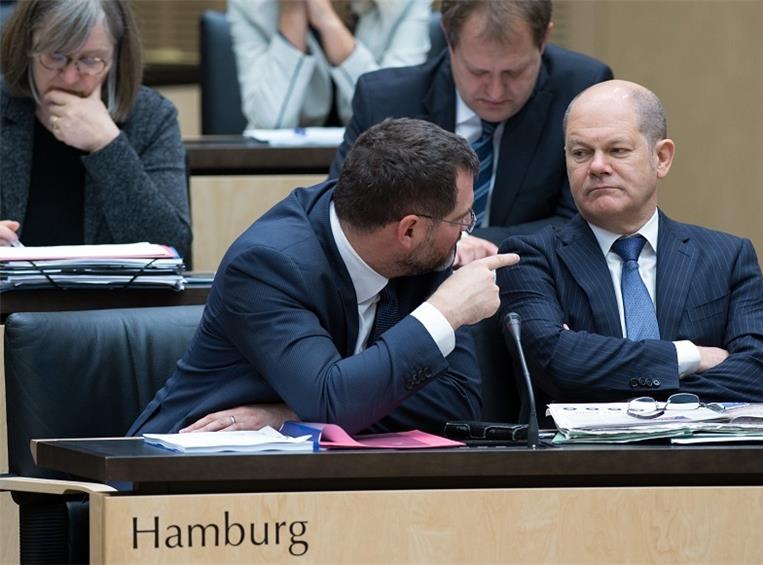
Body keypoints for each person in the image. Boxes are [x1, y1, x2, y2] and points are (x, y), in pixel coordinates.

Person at [128, 118, 519, 436]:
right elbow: (334, 401)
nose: (467, 231)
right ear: (409, 230)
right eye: (462, 218)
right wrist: (443, 313)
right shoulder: (268, 265)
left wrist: (289, 417)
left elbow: (455, 401)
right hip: (183, 479)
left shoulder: (424, 254)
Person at [498, 80, 763, 405]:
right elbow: (559, 366)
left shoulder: (727, 257)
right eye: (580, 153)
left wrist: (602, 374)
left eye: (617, 150)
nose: (597, 167)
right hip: (581, 455)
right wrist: (688, 357)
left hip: (703, 454)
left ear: (661, 157)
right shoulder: (529, 257)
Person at [329, 0, 612, 267]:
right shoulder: (385, 101)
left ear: (544, 40)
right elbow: (347, 217)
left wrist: (476, 243)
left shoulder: (582, 90)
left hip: (534, 276)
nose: (495, 92)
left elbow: (585, 220)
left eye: (514, 73)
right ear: (448, 38)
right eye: (478, 72)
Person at [0, 0, 191, 259]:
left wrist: (107, 144)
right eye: (55, 56)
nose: (69, 77)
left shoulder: (151, 117)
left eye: (90, 60)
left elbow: (174, 248)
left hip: (115, 299)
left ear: (116, 58)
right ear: (27, 49)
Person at [228, 0, 432, 129]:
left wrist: (327, 21)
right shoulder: (250, 6)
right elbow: (271, 120)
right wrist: (293, 11)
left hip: (380, 169)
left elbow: (394, 115)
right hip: (285, 172)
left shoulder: (406, 4)